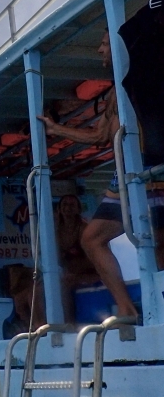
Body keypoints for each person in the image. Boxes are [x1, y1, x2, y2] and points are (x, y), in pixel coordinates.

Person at [38, 31, 164, 317]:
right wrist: (56, 129)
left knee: (158, 242)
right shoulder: (112, 94)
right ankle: (127, 309)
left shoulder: (147, 80)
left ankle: (156, 311)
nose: (98, 49)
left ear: (120, 49)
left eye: (104, 44)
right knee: (93, 238)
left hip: (148, 168)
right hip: (125, 173)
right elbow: (98, 136)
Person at [55, 194, 101, 324]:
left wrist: (75, 268)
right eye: (64, 205)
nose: (67, 208)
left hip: (92, 273)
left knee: (65, 283)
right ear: (59, 208)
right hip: (69, 272)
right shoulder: (55, 230)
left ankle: (69, 323)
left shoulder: (85, 228)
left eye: (71, 205)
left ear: (78, 209)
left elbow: (94, 259)